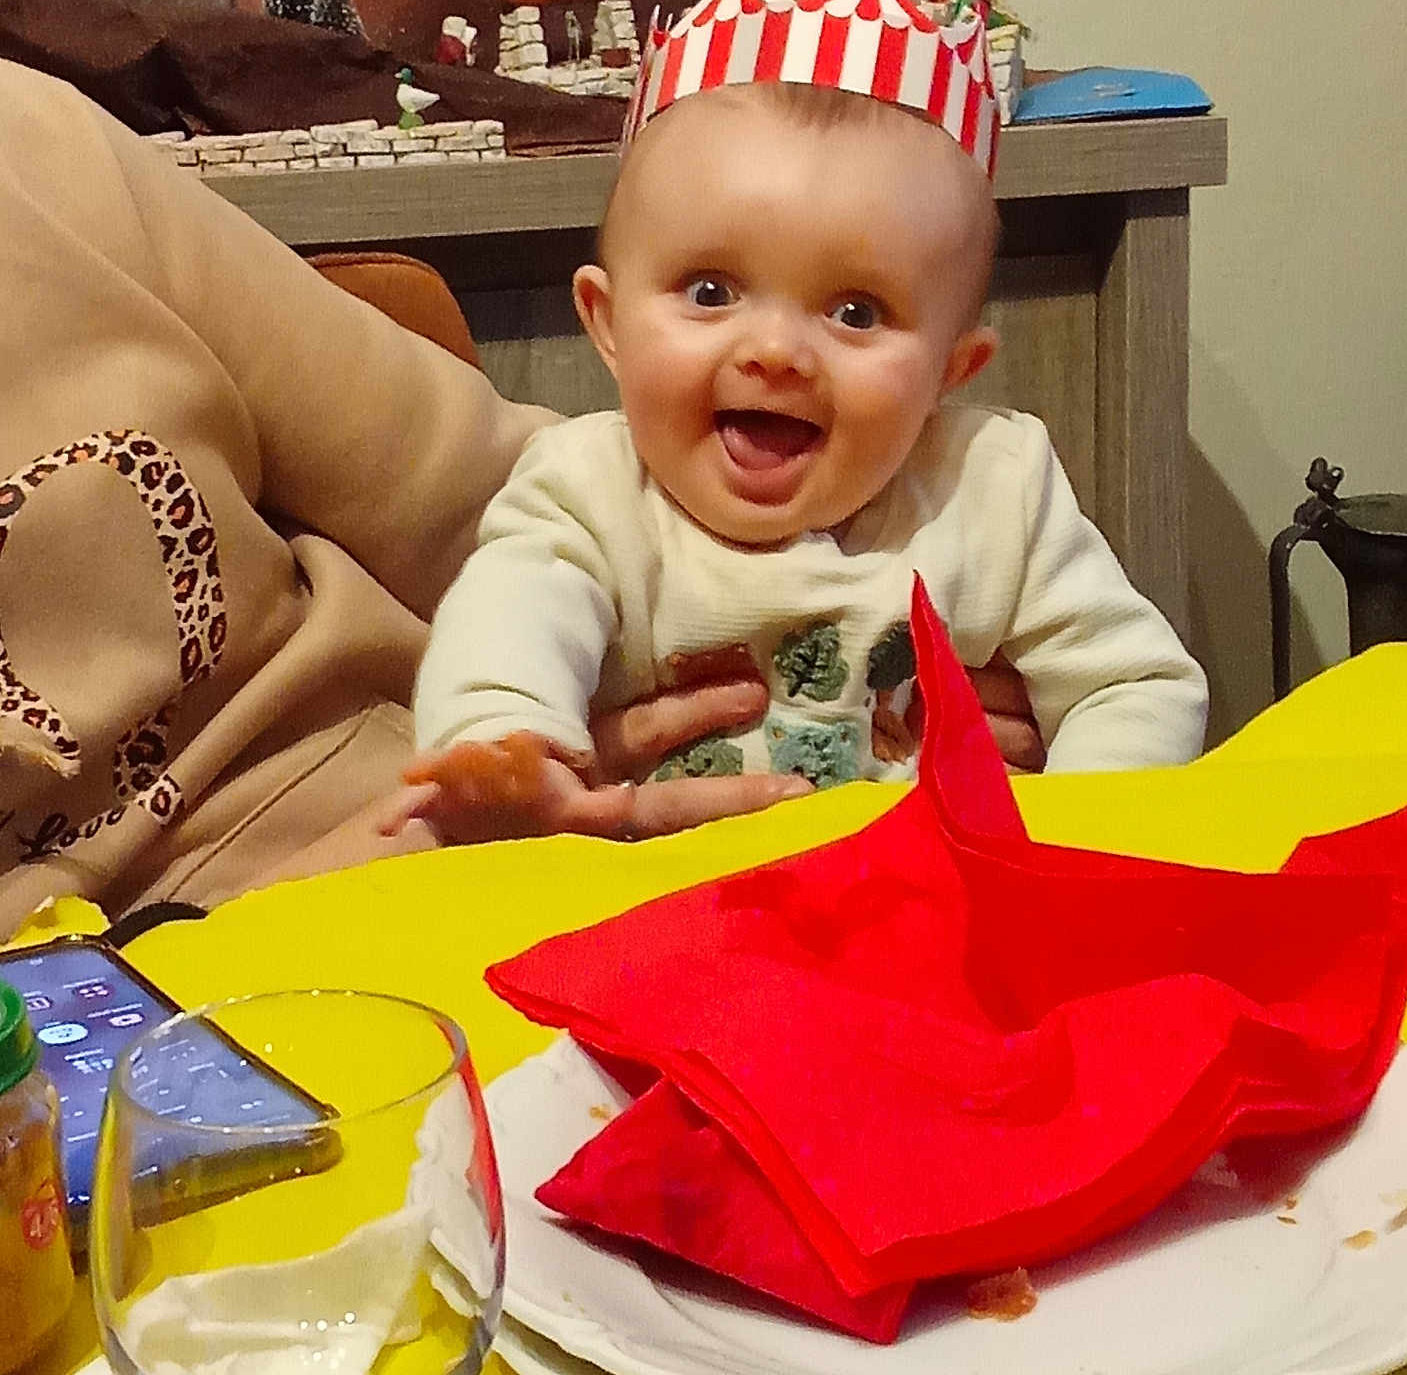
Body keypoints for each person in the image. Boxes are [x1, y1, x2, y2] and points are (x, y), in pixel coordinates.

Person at [0, 62, 815, 939]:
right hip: (114, 1019)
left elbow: (498, 490)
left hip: (490, 811)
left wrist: (863, 606)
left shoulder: (30, 148)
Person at [408, 0, 1207, 840]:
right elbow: (510, 621)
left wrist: (1058, 835)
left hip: (923, 919)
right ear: (608, 323)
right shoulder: (586, 490)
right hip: (669, 919)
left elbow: (1136, 684)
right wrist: (508, 748)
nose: (779, 351)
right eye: (710, 291)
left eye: (857, 312)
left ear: (952, 372)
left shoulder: (990, 487)